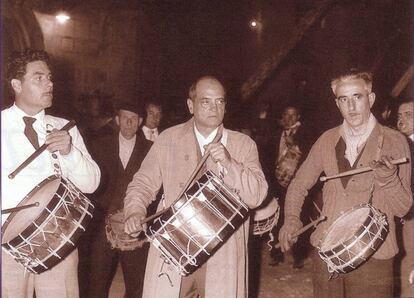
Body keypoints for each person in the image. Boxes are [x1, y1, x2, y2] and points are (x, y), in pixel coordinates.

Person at [123, 76, 268, 298]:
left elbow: (257, 195)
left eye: (220, 102)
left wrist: (230, 164)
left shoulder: (243, 144)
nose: (214, 108)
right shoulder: (168, 139)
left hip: (223, 253)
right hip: (173, 249)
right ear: (190, 105)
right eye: (205, 101)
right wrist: (135, 210)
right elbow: (143, 182)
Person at [278, 70, 412, 298]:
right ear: (337, 103)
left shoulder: (394, 140)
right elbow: (299, 183)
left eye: (357, 97)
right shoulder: (327, 140)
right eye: (343, 99)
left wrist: (388, 178)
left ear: (370, 99)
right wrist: (291, 218)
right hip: (326, 254)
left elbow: (404, 208)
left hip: (374, 255)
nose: (351, 107)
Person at [1, 48, 100, 298]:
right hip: (7, 246)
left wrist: (69, 152)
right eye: (39, 78)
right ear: (16, 84)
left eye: (50, 77)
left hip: (59, 241)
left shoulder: (64, 127)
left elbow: (92, 183)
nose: (49, 83)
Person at [86, 102, 152, 298]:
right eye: (125, 117)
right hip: (102, 227)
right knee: (96, 284)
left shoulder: (151, 150)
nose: (129, 122)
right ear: (117, 120)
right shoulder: (99, 146)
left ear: (141, 122)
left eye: (134, 118)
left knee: (136, 285)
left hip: (135, 226)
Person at [267, 105, 313, 268]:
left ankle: (299, 256)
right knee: (276, 218)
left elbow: (309, 158)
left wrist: (296, 144)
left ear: (298, 117)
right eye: (286, 115)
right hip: (277, 184)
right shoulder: (274, 134)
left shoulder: (305, 134)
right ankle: (276, 253)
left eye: (293, 115)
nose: (289, 118)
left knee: (300, 217)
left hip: (298, 183)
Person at [396, 99, 414, 297]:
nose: (402, 119)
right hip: (406, 214)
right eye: (399, 115)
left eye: (408, 114)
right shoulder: (397, 145)